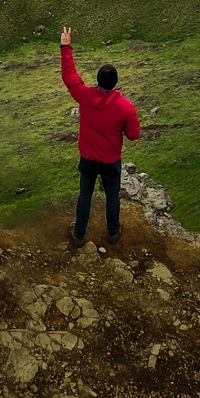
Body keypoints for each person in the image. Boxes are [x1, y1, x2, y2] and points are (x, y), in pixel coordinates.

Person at [59, 25, 141, 246]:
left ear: (97, 79)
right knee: (112, 196)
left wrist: (66, 47)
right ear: (115, 83)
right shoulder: (126, 107)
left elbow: (70, 77)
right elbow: (134, 135)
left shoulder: (85, 96)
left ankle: (79, 235)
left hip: (88, 157)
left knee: (85, 194)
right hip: (110, 160)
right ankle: (113, 233)